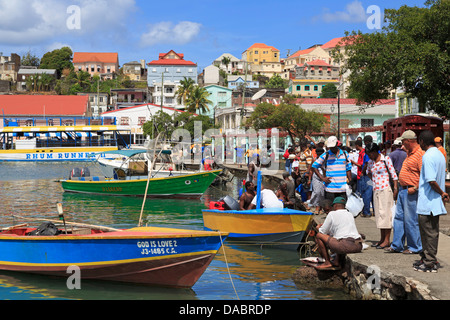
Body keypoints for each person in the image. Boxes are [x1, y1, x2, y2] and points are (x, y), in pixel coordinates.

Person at [414, 130, 449, 273]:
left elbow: (431, 180)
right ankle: (428, 259)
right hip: (434, 203)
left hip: (428, 202)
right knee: (432, 232)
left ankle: (429, 262)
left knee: (428, 233)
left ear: (422, 141)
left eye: (419, 141)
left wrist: (442, 193)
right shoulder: (440, 154)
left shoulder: (427, 156)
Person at [385, 130, 423, 254]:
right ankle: (397, 245)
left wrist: (416, 187)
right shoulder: (409, 153)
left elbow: (424, 175)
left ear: (408, 141)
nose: (402, 144)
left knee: (411, 219)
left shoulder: (419, 154)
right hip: (403, 189)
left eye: (403, 141)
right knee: (399, 218)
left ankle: (414, 246)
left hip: (411, 190)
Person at [314, 197, 363, 270]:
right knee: (339, 237)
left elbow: (322, 232)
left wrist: (318, 228)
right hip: (358, 246)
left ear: (335, 206)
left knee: (319, 236)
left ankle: (327, 262)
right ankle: (336, 261)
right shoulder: (350, 214)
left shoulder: (332, 214)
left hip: (346, 245)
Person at [366, 143, 398, 249]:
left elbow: (393, 174)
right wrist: (374, 180)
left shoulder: (386, 159)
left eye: (371, 154)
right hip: (376, 189)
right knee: (379, 214)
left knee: (386, 214)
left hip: (386, 189)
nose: (370, 156)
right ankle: (382, 238)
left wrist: (395, 188)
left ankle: (387, 240)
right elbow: (368, 172)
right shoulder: (371, 162)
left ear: (375, 152)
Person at [311, 136, 353, 202]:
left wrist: (350, 181)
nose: (332, 149)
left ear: (336, 144)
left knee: (341, 208)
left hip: (342, 188)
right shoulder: (326, 155)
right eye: (330, 147)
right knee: (330, 208)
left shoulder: (345, 154)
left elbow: (348, 168)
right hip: (330, 188)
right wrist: (322, 178)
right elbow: (314, 166)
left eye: (333, 147)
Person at [309, 147, 326, 214]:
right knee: (317, 192)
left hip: (324, 177)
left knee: (322, 193)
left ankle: (321, 207)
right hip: (316, 177)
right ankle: (317, 206)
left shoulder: (325, 160)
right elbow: (311, 170)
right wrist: (309, 179)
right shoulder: (314, 160)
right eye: (318, 154)